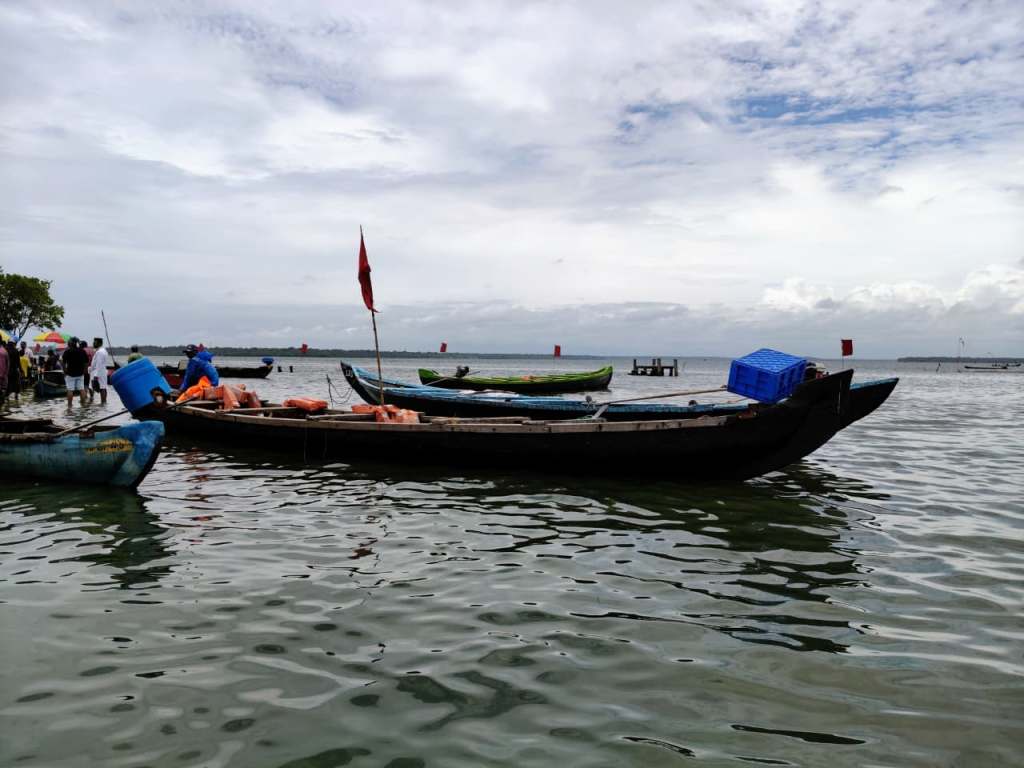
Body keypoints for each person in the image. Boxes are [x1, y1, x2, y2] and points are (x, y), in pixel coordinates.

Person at [61, 337, 89, 407]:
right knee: (81, 389)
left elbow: (63, 362)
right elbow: (86, 362)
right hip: (80, 373)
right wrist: (85, 370)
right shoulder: (82, 351)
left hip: (70, 373)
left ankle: (69, 405)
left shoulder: (67, 351)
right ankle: (83, 404)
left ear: (70, 343)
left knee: (70, 390)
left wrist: (65, 371)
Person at [89, 337, 111, 405]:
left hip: (99, 372)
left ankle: (103, 403)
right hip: (102, 372)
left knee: (102, 388)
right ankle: (104, 403)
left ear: (99, 343)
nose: (93, 343)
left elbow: (99, 364)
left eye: (95, 342)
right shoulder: (102, 351)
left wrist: (96, 376)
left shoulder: (100, 352)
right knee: (103, 387)